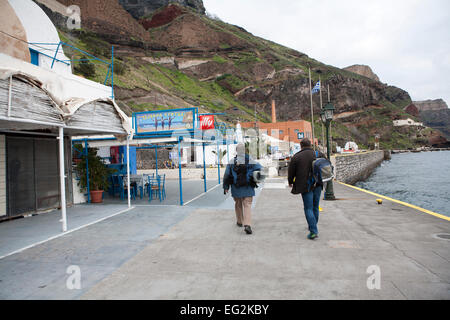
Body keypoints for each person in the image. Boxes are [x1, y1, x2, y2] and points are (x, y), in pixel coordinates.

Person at [288, 138, 326, 240]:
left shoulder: (297, 157)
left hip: (305, 186)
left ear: (301, 146)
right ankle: (313, 226)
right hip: (318, 184)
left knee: (308, 208)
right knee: (315, 206)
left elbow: (291, 171)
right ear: (310, 145)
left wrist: (290, 181)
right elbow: (326, 165)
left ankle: (313, 231)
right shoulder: (318, 154)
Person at [223, 143, 262, 235]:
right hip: (248, 187)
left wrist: (226, 187)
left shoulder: (232, 161)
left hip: (236, 188)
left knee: (238, 204)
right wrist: (256, 179)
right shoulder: (251, 160)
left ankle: (240, 221)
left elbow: (226, 175)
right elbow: (261, 169)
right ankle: (247, 224)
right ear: (245, 150)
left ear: (237, 151)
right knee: (247, 205)